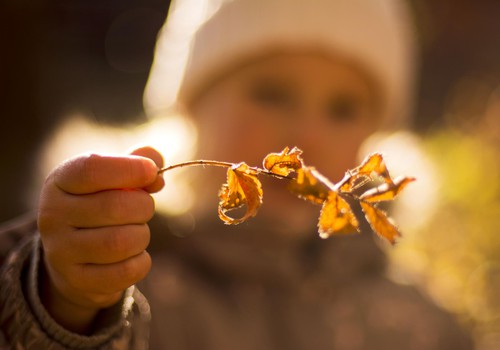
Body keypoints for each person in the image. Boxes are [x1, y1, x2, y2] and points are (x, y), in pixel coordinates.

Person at [0, 0, 474, 349]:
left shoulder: (417, 325)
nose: (305, 135)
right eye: (271, 93)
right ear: (190, 111)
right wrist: (65, 299)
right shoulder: (133, 290)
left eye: (344, 108)